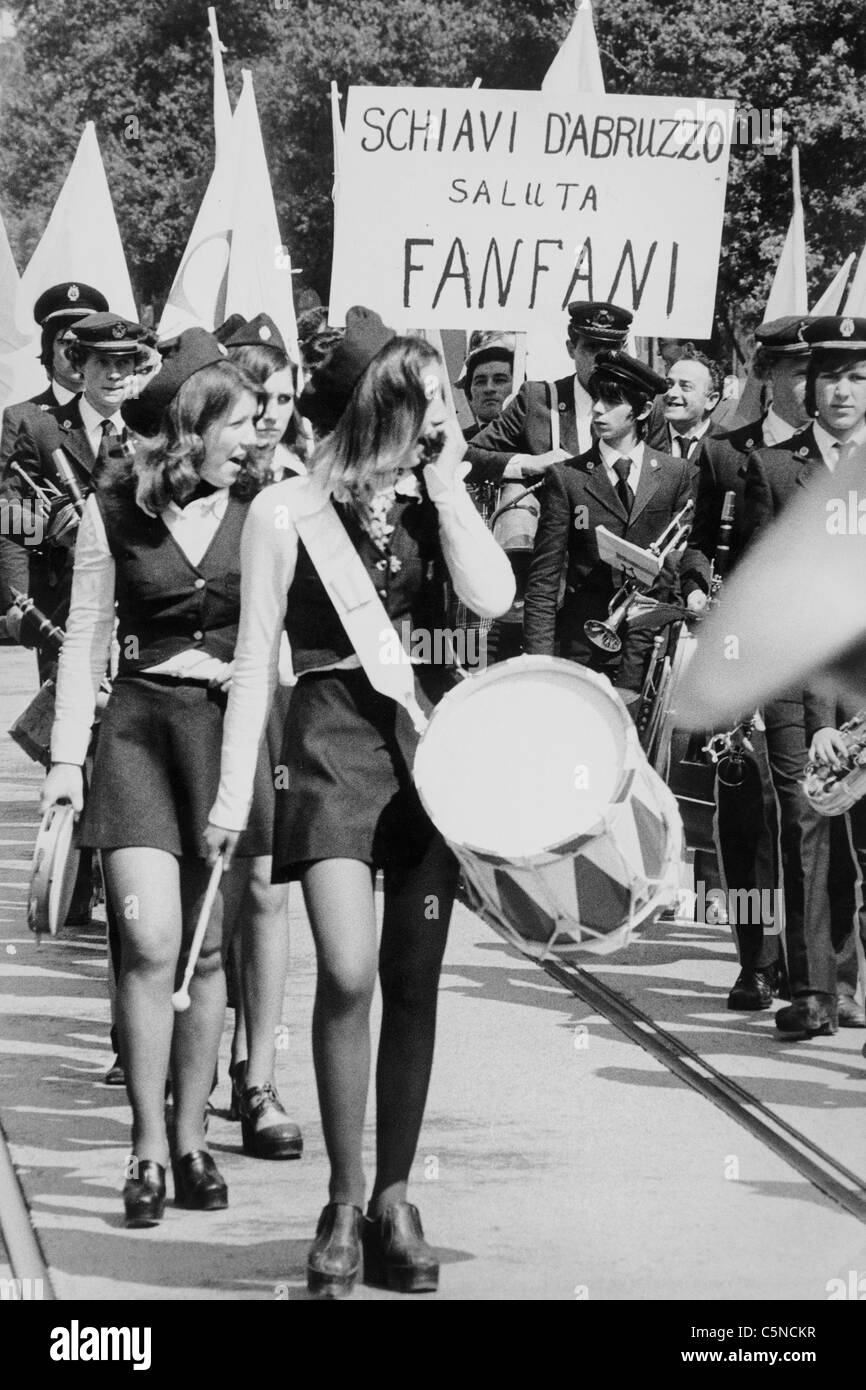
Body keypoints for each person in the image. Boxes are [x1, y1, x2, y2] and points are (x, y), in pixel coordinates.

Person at [206, 308, 515, 1296]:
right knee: (345, 968)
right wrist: (227, 798)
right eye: (419, 401)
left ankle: (389, 1201)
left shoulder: (435, 498)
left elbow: (492, 600)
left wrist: (451, 486)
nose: (436, 418)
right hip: (330, 742)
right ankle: (339, 1196)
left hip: (423, 748)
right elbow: (255, 660)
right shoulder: (282, 510)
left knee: (412, 976)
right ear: (372, 407)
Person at [39, 330, 288, 1226]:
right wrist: (69, 761)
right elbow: (84, 639)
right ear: (189, 427)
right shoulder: (112, 509)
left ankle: (193, 1139)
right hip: (139, 736)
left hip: (227, 736)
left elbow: (265, 651)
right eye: (236, 425)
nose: (252, 440)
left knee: (207, 950)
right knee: (148, 945)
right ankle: (145, 1147)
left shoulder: (264, 510)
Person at [675, 318, 813, 1011]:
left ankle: (806, 957)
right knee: (744, 806)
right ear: (767, 376)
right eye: (791, 370)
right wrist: (697, 586)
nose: (804, 384)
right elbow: (700, 542)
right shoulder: (727, 453)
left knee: (803, 808)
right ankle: (755, 958)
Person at [743, 314, 866, 1038]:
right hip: (796, 679)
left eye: (859, 377)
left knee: (860, 838)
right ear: (808, 387)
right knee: (806, 821)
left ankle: (847, 975)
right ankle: (813, 989)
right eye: (832, 377)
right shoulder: (772, 469)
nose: (845, 391)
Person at [523, 350, 692, 697]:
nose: (598, 409)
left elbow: (668, 579)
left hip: (648, 651)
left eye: (612, 401)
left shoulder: (677, 475)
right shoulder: (566, 477)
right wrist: (541, 665)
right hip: (580, 651)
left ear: (643, 411)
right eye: (597, 398)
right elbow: (543, 582)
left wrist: (634, 673)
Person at [464, 301, 632, 486]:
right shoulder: (537, 399)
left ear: (623, 350)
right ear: (571, 349)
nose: (600, 359)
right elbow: (465, 456)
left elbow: (659, 479)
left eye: (610, 349)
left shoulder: (644, 406)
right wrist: (530, 463)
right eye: (591, 347)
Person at [647, 347, 726, 465]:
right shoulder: (646, 441)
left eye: (686, 386)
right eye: (669, 384)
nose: (671, 393)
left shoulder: (727, 447)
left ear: (711, 400)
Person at [455, 330, 515, 442]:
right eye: (480, 381)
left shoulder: (540, 437)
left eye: (500, 380)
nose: (489, 388)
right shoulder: (457, 442)